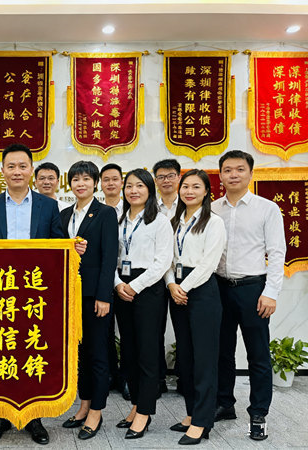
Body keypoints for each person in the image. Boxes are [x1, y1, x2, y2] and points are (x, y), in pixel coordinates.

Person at [0, 143, 86, 445]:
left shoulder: (48, 206)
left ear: (31, 170)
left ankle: (35, 417)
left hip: (36, 295)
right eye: (11, 166)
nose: (17, 171)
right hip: (1, 295)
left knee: (33, 352)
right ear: (2, 171)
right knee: (2, 351)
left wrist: (72, 249)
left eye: (23, 166)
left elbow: (57, 246)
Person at [212, 150, 286, 441]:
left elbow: (277, 252)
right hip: (219, 287)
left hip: (253, 289)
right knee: (222, 351)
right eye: (228, 170)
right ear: (220, 175)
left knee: (258, 354)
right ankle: (224, 403)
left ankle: (258, 413)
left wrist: (271, 292)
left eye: (240, 169)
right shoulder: (212, 209)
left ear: (250, 173)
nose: (233, 174)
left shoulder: (267, 208)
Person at [164, 169, 226, 445]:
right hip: (176, 290)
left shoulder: (214, 222)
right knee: (186, 358)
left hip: (201, 292)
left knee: (204, 359)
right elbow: (167, 258)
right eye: (185, 186)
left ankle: (202, 421)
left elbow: (208, 264)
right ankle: (191, 414)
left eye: (196, 187)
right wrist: (171, 285)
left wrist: (183, 288)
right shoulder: (174, 221)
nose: (189, 191)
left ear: (206, 192)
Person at [59, 161, 118, 440]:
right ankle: (83, 405)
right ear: (69, 183)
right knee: (79, 354)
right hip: (69, 296)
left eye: (86, 179)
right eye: (75, 179)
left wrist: (104, 296)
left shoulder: (106, 213)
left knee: (97, 353)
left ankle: (96, 411)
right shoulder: (63, 215)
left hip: (95, 296)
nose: (80, 184)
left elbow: (109, 257)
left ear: (95, 183)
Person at [114, 168, 173, 439]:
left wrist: (135, 286)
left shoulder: (160, 221)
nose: (133, 190)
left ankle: (145, 412)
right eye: (129, 186)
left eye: (140, 185)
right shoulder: (119, 219)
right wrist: (118, 284)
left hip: (148, 289)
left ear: (150, 189)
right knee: (129, 352)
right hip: (122, 287)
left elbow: (162, 262)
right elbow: (112, 256)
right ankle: (136, 404)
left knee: (148, 353)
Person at [153, 158, 182, 396]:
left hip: (185, 277)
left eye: (170, 175)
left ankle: (185, 378)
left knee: (186, 331)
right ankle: (158, 378)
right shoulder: (150, 207)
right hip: (157, 276)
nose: (166, 180)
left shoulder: (191, 203)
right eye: (161, 177)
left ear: (179, 177)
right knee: (155, 330)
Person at [99, 162, 129, 400]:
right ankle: (109, 374)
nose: (110, 183)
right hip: (104, 278)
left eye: (114, 179)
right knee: (105, 332)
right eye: (106, 179)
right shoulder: (97, 211)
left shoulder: (132, 209)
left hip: (128, 280)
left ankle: (126, 378)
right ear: (100, 184)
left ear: (122, 182)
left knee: (128, 330)